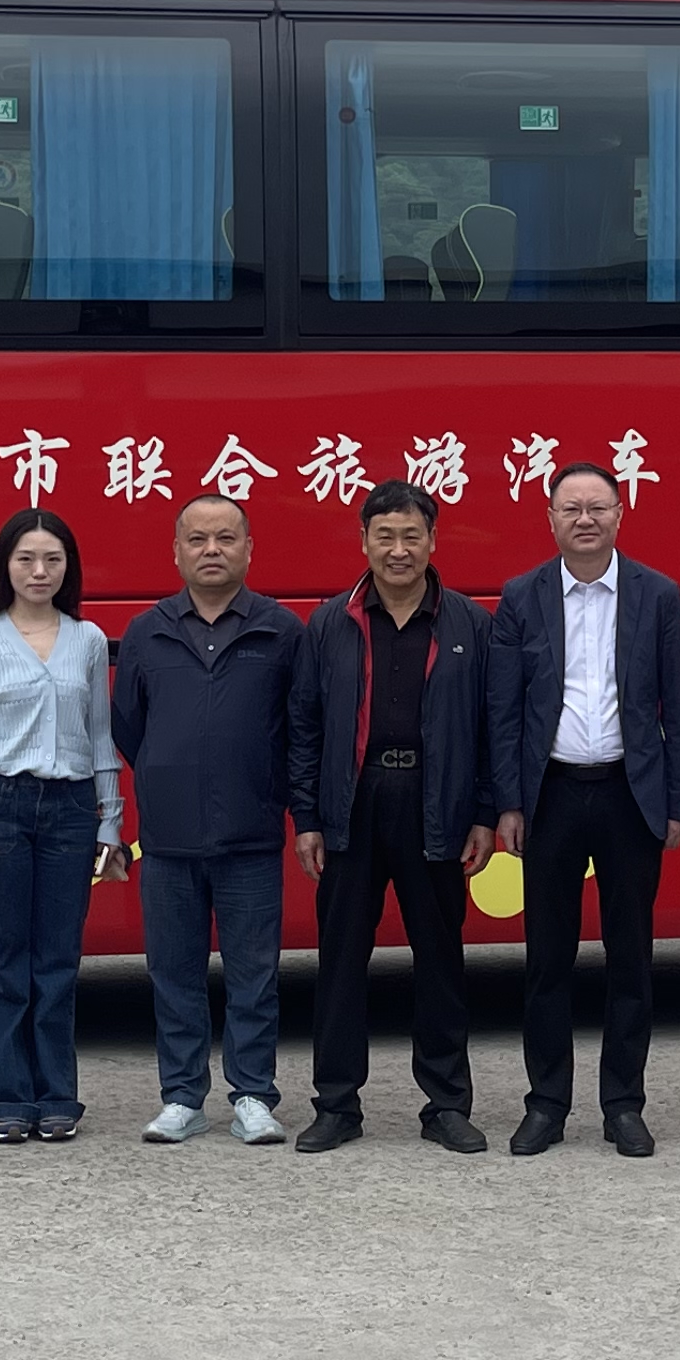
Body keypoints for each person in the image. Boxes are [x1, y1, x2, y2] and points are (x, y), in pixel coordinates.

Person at [486, 460, 680, 1159]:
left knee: (630, 956)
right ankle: (546, 1104)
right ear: (550, 519)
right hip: (549, 795)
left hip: (627, 794)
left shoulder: (658, 595)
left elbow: (679, 707)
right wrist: (509, 801)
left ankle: (623, 1105)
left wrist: (675, 802)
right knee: (547, 958)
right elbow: (503, 711)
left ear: (620, 514)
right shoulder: (521, 596)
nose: (585, 519)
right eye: (571, 508)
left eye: (598, 507)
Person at [287, 480, 499, 1153]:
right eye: (385, 536)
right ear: (364, 542)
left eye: (412, 535)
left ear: (433, 541)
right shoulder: (331, 622)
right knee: (341, 959)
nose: (399, 549)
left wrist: (484, 814)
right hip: (353, 801)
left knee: (440, 958)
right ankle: (336, 1104)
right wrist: (308, 817)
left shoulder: (469, 624)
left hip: (437, 803)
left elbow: (492, 729)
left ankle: (446, 1104)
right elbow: (304, 725)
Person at [111, 494, 304, 1146]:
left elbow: (298, 729)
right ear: (177, 552)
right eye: (198, 539)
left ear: (249, 549)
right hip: (168, 840)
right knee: (174, 974)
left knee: (254, 975)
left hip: (251, 835)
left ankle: (252, 1094)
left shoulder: (280, 631)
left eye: (226, 538)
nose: (212, 550)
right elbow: (131, 727)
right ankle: (181, 1097)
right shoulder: (148, 631)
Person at [0, 507, 122, 1145]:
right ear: (6, 566)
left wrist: (111, 822)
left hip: (72, 809)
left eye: (52, 559)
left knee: (58, 959)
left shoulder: (88, 640)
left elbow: (100, 737)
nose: (39, 571)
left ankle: (56, 1096)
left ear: (68, 567)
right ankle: (5, 1098)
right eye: (26, 559)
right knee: (3, 959)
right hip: (2, 805)